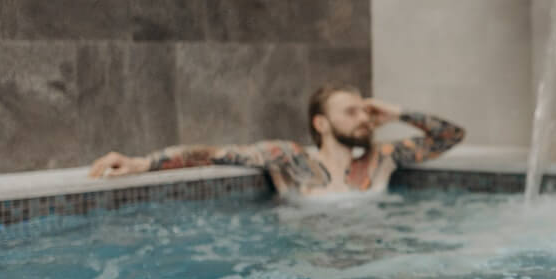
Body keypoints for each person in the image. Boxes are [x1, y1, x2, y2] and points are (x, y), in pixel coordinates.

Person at [88, 83, 465, 197]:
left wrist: (396, 113)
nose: (363, 118)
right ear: (321, 123)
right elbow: (215, 154)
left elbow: (451, 136)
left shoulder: (383, 158)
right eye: (350, 112)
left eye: (365, 112)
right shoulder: (291, 159)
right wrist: (142, 163)